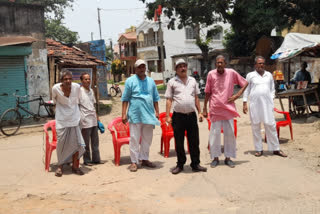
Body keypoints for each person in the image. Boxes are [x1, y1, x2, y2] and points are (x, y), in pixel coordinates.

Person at [203, 55, 248, 168]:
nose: (219, 64)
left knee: (230, 135)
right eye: (217, 63)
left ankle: (228, 158)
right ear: (215, 64)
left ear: (225, 64)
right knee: (214, 135)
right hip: (215, 108)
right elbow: (207, 92)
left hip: (228, 108)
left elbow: (245, 83)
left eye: (221, 62)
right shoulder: (211, 74)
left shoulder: (231, 72)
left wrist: (237, 95)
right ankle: (215, 158)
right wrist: (204, 107)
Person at [165, 58, 207, 175]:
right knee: (179, 142)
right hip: (178, 117)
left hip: (191, 116)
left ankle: (195, 164)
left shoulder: (193, 80)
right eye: (180, 66)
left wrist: (199, 112)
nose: (183, 68)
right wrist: (168, 115)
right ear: (176, 69)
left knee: (194, 141)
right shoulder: (172, 82)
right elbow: (169, 100)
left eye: (184, 66)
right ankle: (180, 164)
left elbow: (196, 98)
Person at [243, 56, 287, 158]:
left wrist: (271, 99)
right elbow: (246, 89)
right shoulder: (250, 75)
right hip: (255, 105)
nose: (261, 65)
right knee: (256, 126)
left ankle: (275, 149)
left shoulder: (269, 75)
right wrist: (245, 102)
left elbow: (272, 89)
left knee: (271, 125)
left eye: (263, 63)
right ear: (255, 65)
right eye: (259, 63)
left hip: (267, 105)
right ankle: (259, 149)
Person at [121, 59, 160, 172]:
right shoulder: (130, 81)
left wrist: (157, 112)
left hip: (148, 114)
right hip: (135, 114)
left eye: (143, 67)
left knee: (147, 138)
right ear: (136, 69)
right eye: (139, 67)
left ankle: (144, 158)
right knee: (134, 138)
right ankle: (134, 161)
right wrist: (124, 114)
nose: (142, 69)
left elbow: (155, 98)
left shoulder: (151, 82)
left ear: (145, 68)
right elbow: (125, 99)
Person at [52, 71, 86, 177]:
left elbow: (79, 100)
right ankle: (60, 166)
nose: (68, 81)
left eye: (70, 79)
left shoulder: (76, 87)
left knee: (77, 144)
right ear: (61, 81)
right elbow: (54, 101)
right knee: (61, 143)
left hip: (75, 119)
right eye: (65, 79)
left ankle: (75, 166)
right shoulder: (55, 88)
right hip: (62, 120)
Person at [79, 72, 102, 166]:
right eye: (86, 79)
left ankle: (96, 159)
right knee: (86, 142)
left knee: (95, 141)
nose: (88, 81)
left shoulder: (91, 91)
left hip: (93, 120)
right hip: (85, 120)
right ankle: (87, 160)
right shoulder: (79, 91)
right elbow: (76, 106)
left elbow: (92, 105)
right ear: (81, 81)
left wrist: (98, 118)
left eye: (89, 79)